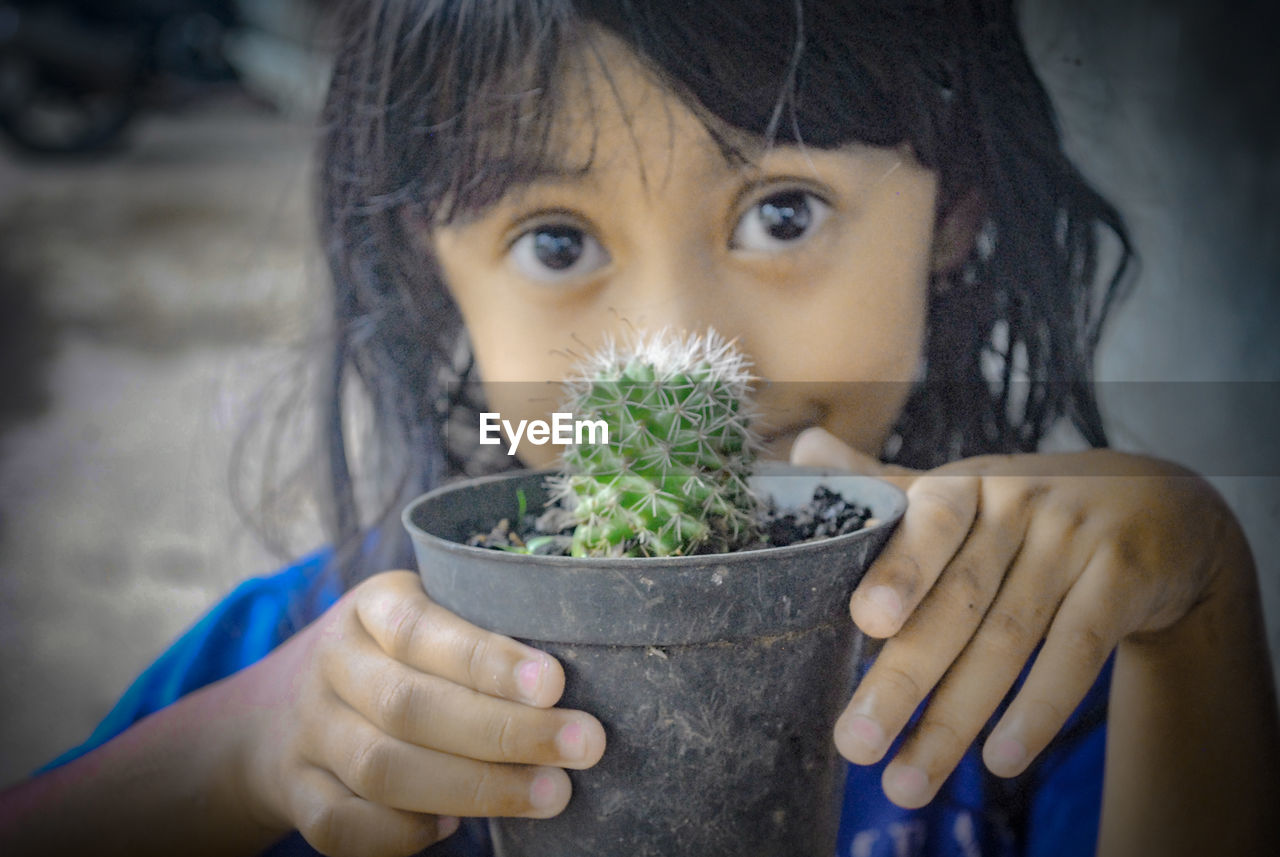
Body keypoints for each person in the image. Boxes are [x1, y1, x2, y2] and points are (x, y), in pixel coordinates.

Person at [2, 1, 1278, 855]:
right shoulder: (319, 659)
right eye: (555, 240)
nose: (669, 329)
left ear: (955, 207)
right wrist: (238, 750)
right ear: (426, 263)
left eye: (782, 211)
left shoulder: (1041, 671)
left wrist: (1198, 617)